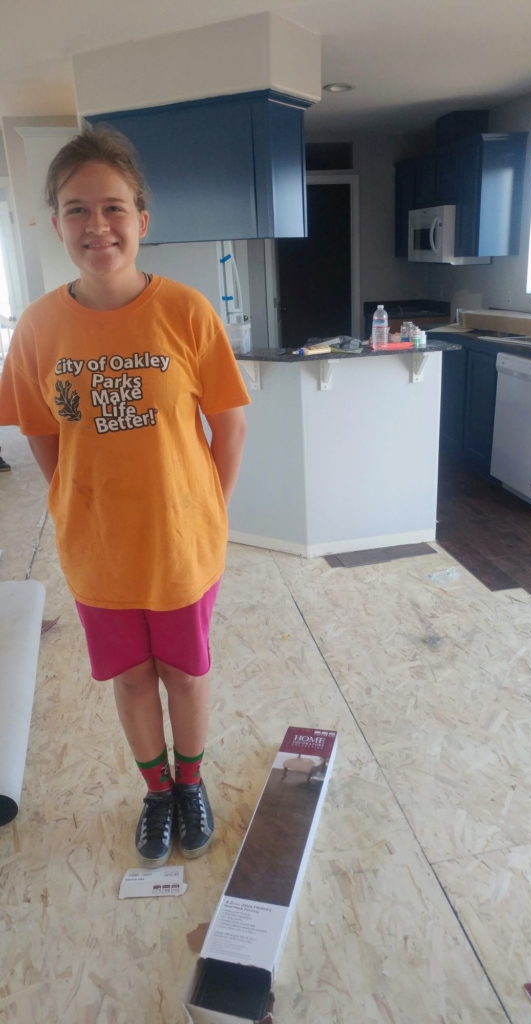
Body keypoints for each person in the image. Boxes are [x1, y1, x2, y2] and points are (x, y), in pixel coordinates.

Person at [0, 125, 250, 868]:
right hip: (97, 548)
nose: (96, 226)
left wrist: (210, 511)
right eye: (77, 209)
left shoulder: (186, 311)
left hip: (181, 541)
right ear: (55, 225)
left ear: (142, 218)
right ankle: (157, 792)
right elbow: (43, 434)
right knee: (133, 677)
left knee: (185, 671)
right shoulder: (38, 328)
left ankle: (193, 781)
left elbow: (229, 427)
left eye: (112, 207)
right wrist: (75, 501)